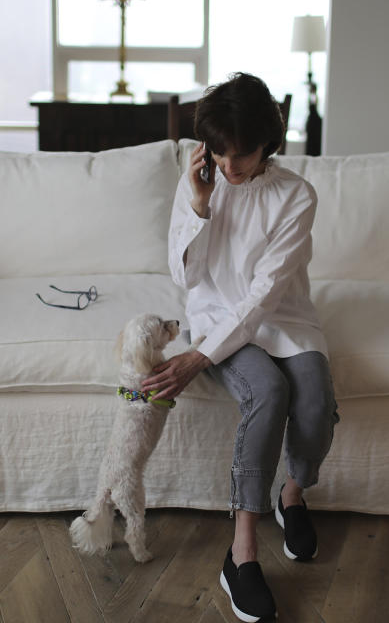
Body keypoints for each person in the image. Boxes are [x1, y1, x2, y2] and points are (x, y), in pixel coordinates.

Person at [141, 72, 339, 622]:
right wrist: (202, 205)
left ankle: (292, 495)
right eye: (221, 153)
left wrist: (199, 359)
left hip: (283, 318)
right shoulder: (200, 181)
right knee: (269, 392)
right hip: (215, 319)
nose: (231, 167)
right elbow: (187, 279)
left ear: (268, 144)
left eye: (244, 154)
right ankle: (242, 552)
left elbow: (266, 293)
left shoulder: (297, 195)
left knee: (317, 404)